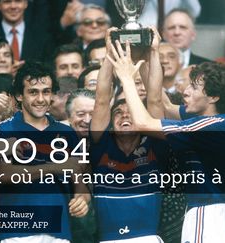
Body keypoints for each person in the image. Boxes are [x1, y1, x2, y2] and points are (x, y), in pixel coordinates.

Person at [108, 39, 225, 242]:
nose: (185, 91)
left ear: (213, 97)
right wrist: (145, 56)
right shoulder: (222, 121)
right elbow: (165, 105)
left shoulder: (212, 126)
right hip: (216, 214)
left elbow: (143, 123)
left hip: (208, 215)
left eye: (194, 87)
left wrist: (127, 79)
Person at [0, 61, 89, 242]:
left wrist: (82, 200)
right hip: (16, 232)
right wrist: (55, 167)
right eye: (33, 92)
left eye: (46, 91)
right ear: (19, 95)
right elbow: (3, 174)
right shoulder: (4, 128)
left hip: (59, 231)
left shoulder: (68, 132)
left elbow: (80, 181)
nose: (40, 99)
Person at [89, 26, 168, 242]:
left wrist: (153, 52)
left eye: (130, 112)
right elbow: (102, 100)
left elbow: (154, 99)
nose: (125, 116)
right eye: (118, 113)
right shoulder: (100, 146)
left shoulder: (154, 144)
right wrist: (108, 54)